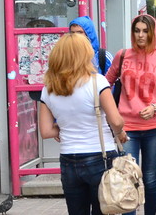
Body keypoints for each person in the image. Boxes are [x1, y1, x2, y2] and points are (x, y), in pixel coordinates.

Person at [39, 33, 128, 215]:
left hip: (68, 160)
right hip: (99, 157)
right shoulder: (97, 82)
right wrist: (120, 132)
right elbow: (116, 120)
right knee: (103, 209)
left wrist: (65, 124)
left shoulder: (48, 87)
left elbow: (46, 131)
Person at [105, 14, 156, 215]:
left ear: (153, 32)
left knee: (150, 178)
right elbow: (105, 84)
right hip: (126, 128)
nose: (140, 35)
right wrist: (112, 114)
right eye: (137, 30)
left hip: (154, 128)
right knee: (128, 178)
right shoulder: (123, 55)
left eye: (145, 31)